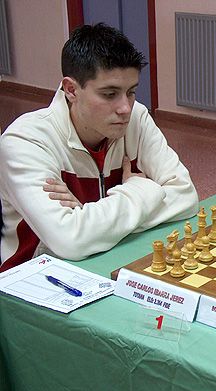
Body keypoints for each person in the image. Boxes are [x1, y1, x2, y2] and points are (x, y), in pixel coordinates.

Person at [0, 23, 199, 271]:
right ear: (71, 89)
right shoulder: (26, 141)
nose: (125, 108)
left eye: (131, 92)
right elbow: (70, 241)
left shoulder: (136, 117)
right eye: (109, 94)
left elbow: (187, 197)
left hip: (109, 262)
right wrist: (141, 189)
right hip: (33, 282)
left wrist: (87, 219)